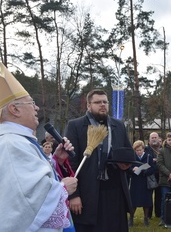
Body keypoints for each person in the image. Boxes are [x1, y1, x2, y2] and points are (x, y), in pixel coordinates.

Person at [0, 62, 78, 231]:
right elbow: (26, 200)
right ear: (14, 109)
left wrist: (56, 161)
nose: (37, 107)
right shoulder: (11, 145)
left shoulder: (16, 141)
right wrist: (62, 189)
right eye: (31, 103)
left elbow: (24, 184)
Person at [65, 89, 134, 232]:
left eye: (105, 102)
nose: (102, 105)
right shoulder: (75, 126)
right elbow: (70, 163)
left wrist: (126, 164)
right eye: (97, 102)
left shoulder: (118, 125)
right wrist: (73, 195)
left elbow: (128, 152)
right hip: (87, 193)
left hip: (115, 192)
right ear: (88, 106)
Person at [128, 140, 155, 227]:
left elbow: (153, 169)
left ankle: (146, 218)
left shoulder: (148, 157)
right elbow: (127, 168)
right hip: (135, 182)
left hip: (145, 181)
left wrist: (145, 171)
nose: (139, 152)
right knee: (133, 201)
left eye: (140, 150)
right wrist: (132, 169)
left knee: (146, 201)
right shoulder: (132, 157)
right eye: (137, 150)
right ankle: (131, 218)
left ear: (143, 149)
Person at [156, 132, 171, 226]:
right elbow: (159, 164)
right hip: (165, 180)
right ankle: (163, 218)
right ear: (166, 140)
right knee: (164, 200)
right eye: (169, 140)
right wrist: (168, 174)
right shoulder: (162, 151)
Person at [144, 132, 162, 219]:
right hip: (150, 175)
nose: (154, 139)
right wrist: (151, 161)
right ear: (149, 140)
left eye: (155, 137)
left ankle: (158, 214)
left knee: (159, 195)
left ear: (159, 139)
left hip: (160, 174)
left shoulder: (162, 149)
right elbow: (143, 163)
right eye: (152, 138)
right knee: (149, 195)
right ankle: (148, 215)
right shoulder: (146, 149)